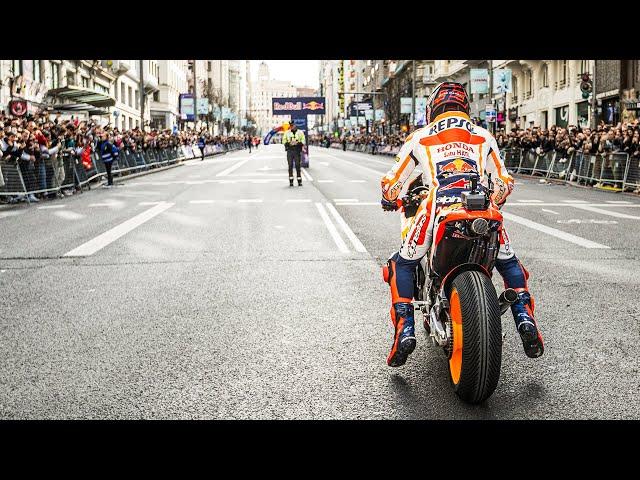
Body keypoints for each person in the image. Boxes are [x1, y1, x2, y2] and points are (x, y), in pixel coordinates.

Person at [380, 82, 544, 367]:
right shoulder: (483, 135)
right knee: (509, 262)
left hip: (437, 205)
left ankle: (404, 332)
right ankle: (525, 320)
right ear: (465, 107)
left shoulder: (420, 136)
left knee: (402, 264)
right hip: (480, 205)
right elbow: (505, 182)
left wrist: (390, 197)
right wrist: (493, 200)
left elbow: (391, 183)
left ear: (432, 109)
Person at [282, 121, 306, 187]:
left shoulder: (300, 132)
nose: (292, 126)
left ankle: (299, 181)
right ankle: (291, 181)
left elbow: (303, 140)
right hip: (289, 151)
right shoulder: (287, 133)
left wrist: (297, 143)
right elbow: (283, 141)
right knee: (290, 165)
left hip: (297, 151)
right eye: (291, 126)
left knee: (298, 165)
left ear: (295, 125)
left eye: (293, 125)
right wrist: (289, 143)